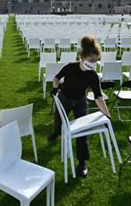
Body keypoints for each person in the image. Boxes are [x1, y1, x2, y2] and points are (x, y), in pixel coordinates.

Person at [48, 36, 112, 177]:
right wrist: (55, 87)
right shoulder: (70, 67)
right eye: (91, 60)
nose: (94, 63)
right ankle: (56, 132)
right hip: (64, 98)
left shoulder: (93, 75)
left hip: (80, 101)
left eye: (96, 60)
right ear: (83, 57)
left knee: (83, 132)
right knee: (58, 118)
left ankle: (82, 163)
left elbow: (98, 97)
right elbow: (56, 77)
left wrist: (107, 115)